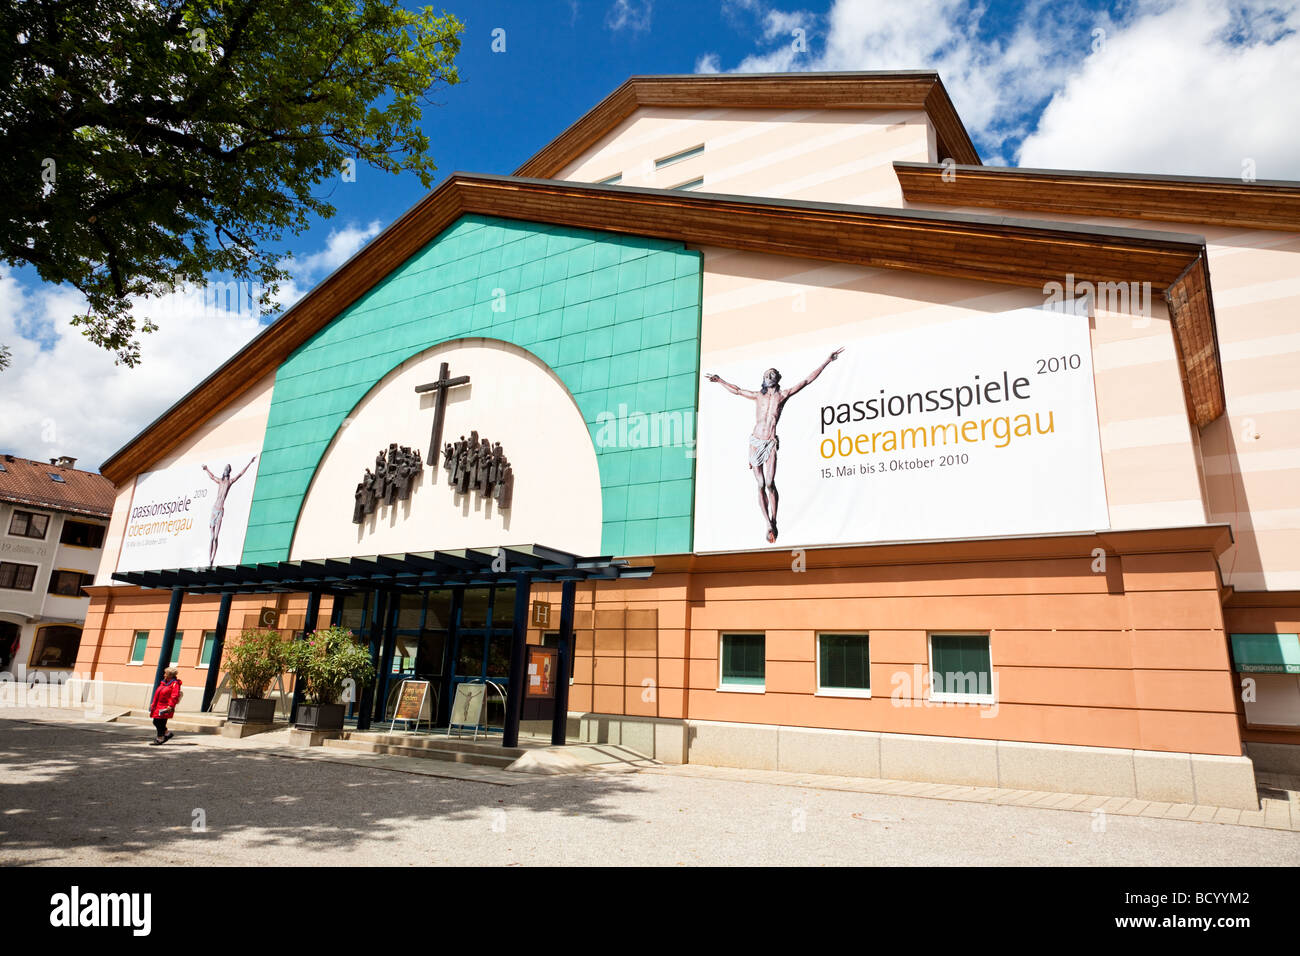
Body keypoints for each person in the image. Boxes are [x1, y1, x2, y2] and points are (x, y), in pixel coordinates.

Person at [706, 348, 844, 543]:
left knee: (770, 484)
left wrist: (827, 361)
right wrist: (720, 381)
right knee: (760, 484)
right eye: (766, 374)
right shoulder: (758, 396)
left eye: (772, 373)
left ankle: (774, 519)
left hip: (770, 442)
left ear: (777, 378)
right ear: (764, 379)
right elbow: (737, 391)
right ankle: (768, 523)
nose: (769, 375)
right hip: (755, 441)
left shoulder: (782, 395)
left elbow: (806, 381)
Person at [201, 456, 256, 566]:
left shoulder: (229, 482)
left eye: (228, 468)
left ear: (229, 471)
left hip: (220, 510)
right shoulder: (220, 481)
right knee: (211, 537)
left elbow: (240, 474)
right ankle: (209, 559)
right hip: (214, 509)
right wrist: (206, 469)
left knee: (216, 537)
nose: (226, 469)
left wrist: (250, 462)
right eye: (225, 468)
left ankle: (212, 559)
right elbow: (211, 477)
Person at [149, 667, 183, 745]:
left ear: (170, 675)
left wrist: (170, 706)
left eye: (166, 673)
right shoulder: (164, 683)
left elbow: (174, 695)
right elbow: (157, 694)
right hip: (158, 706)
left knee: (160, 722)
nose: (164, 675)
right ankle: (167, 733)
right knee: (157, 722)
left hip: (166, 707)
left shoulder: (175, 684)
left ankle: (160, 738)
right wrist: (153, 704)